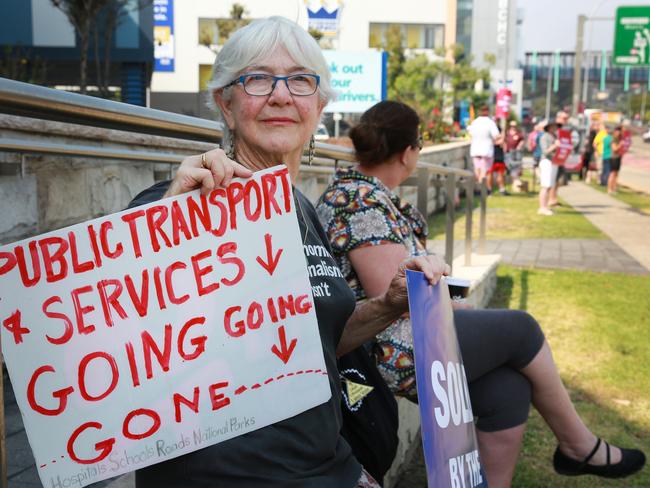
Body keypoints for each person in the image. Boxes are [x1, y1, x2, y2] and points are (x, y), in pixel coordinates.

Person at [128, 17, 448, 488]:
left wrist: (388, 305)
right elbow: (131, 330)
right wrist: (171, 219)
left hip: (325, 464)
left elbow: (315, 342)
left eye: (300, 80)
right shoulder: (181, 203)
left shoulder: (300, 207)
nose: (281, 95)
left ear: (319, 105)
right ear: (226, 103)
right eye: (257, 79)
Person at [316, 101, 645, 488]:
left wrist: (453, 302)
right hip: (384, 347)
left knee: (507, 389)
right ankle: (578, 445)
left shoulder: (365, 193)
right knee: (521, 329)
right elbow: (393, 297)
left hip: (402, 334)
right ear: (408, 152)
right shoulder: (359, 200)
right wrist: (452, 306)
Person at [468, 106, 500, 185]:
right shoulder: (490, 122)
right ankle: (480, 188)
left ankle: (476, 187)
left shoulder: (475, 122)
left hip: (475, 149)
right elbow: (496, 135)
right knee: (484, 170)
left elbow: (470, 133)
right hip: (486, 150)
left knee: (477, 169)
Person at [538, 121, 561, 216]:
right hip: (547, 162)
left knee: (549, 186)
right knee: (545, 185)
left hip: (553, 162)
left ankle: (545, 206)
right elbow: (545, 151)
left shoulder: (555, 137)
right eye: (553, 126)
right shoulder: (544, 137)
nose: (555, 128)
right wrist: (555, 146)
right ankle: (542, 207)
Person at [487, 127, 509, 195]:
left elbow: (505, 148)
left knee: (494, 175)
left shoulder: (489, 140)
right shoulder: (498, 140)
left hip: (495, 159)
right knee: (496, 175)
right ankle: (500, 189)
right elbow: (504, 148)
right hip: (496, 159)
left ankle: (490, 189)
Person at [609, 126, 625, 194]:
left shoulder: (619, 139)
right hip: (614, 158)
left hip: (618, 157)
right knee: (612, 174)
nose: (621, 133)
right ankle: (609, 189)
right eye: (620, 131)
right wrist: (620, 145)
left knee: (616, 174)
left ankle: (614, 188)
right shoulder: (614, 139)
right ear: (616, 131)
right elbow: (614, 149)